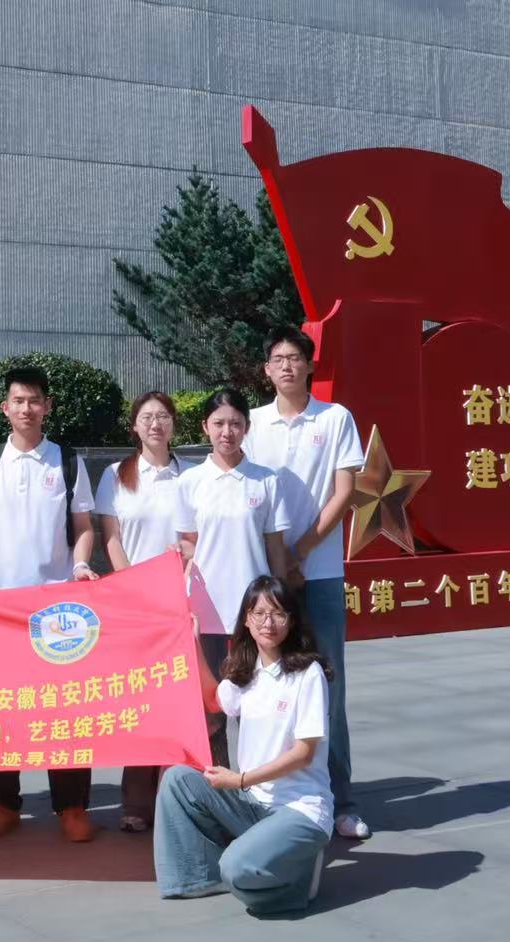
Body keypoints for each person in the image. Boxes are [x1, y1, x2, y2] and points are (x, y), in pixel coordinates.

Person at [0, 365, 100, 842]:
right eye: (19, 400)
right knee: (2, 709)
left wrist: (80, 566)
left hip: (57, 612)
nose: (27, 408)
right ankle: (1, 802)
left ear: (47, 406)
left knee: (64, 709)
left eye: (35, 400)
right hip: (0, 607)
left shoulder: (67, 460)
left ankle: (71, 805)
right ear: (5, 408)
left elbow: (84, 526)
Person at [243, 327, 369, 840]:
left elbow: (345, 493)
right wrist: (278, 561)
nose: (287, 366)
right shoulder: (252, 423)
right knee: (259, 687)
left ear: (310, 365)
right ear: (266, 369)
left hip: (319, 573)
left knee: (327, 686)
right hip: (265, 580)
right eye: (278, 359)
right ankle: (261, 795)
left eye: (295, 357)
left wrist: (300, 552)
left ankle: (342, 801)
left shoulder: (335, 418)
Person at [154, 576, 334, 917]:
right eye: (259, 613)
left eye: (278, 613)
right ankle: (198, 879)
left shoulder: (308, 674)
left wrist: (239, 780)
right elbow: (214, 699)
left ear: (291, 620)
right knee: (178, 780)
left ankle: (297, 881)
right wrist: (192, 643)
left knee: (237, 868)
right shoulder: (247, 672)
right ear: (247, 621)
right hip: (253, 803)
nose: (269, 623)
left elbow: (303, 754)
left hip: (298, 808)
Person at [175, 388, 290, 766]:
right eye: (219, 423)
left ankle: (257, 784)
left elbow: (275, 547)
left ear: (247, 428)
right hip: (205, 614)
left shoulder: (265, 480)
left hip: (254, 616)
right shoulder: (190, 481)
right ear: (205, 427)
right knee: (211, 711)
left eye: (236, 424)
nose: (227, 432)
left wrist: (283, 604)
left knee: (255, 707)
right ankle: (217, 788)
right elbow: (187, 543)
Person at [94, 390, 189, 832]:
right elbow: (111, 537)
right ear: (134, 425)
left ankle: (177, 799)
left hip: (181, 604)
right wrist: (133, 587)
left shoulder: (190, 475)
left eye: (163, 416)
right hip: (135, 605)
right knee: (138, 702)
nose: (156, 424)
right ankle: (135, 803)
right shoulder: (116, 475)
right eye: (147, 417)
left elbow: (194, 538)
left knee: (178, 705)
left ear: (173, 424)